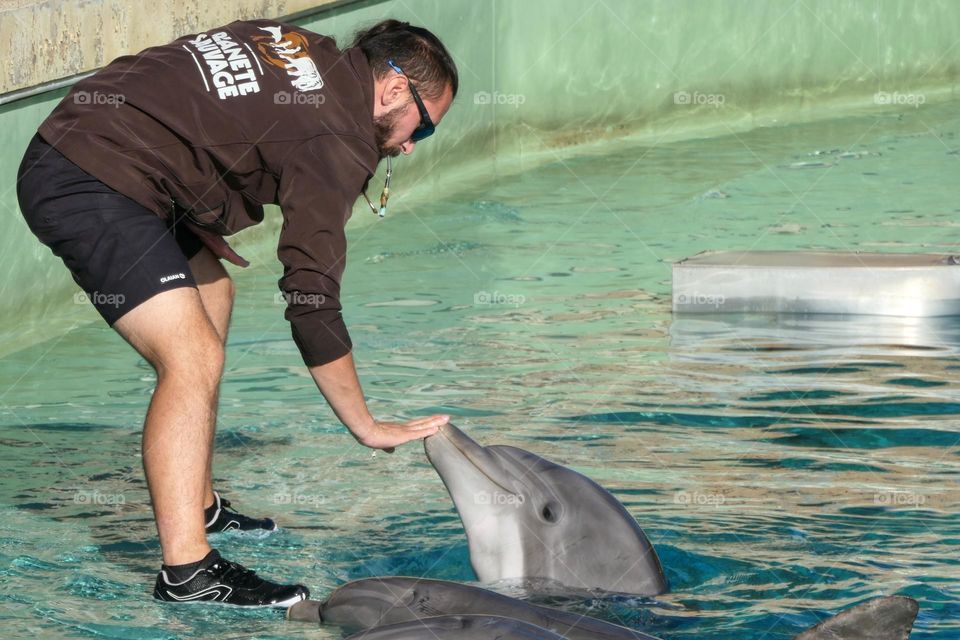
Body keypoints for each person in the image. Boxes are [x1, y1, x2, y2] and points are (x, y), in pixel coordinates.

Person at [16, 17, 457, 607]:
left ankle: (197, 503)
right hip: (88, 177)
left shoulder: (302, 46)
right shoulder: (339, 138)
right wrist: (366, 425)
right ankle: (188, 573)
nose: (406, 146)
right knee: (190, 357)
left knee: (213, 293)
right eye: (421, 131)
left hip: (106, 150)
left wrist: (193, 197)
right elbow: (309, 298)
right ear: (396, 90)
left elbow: (195, 95)